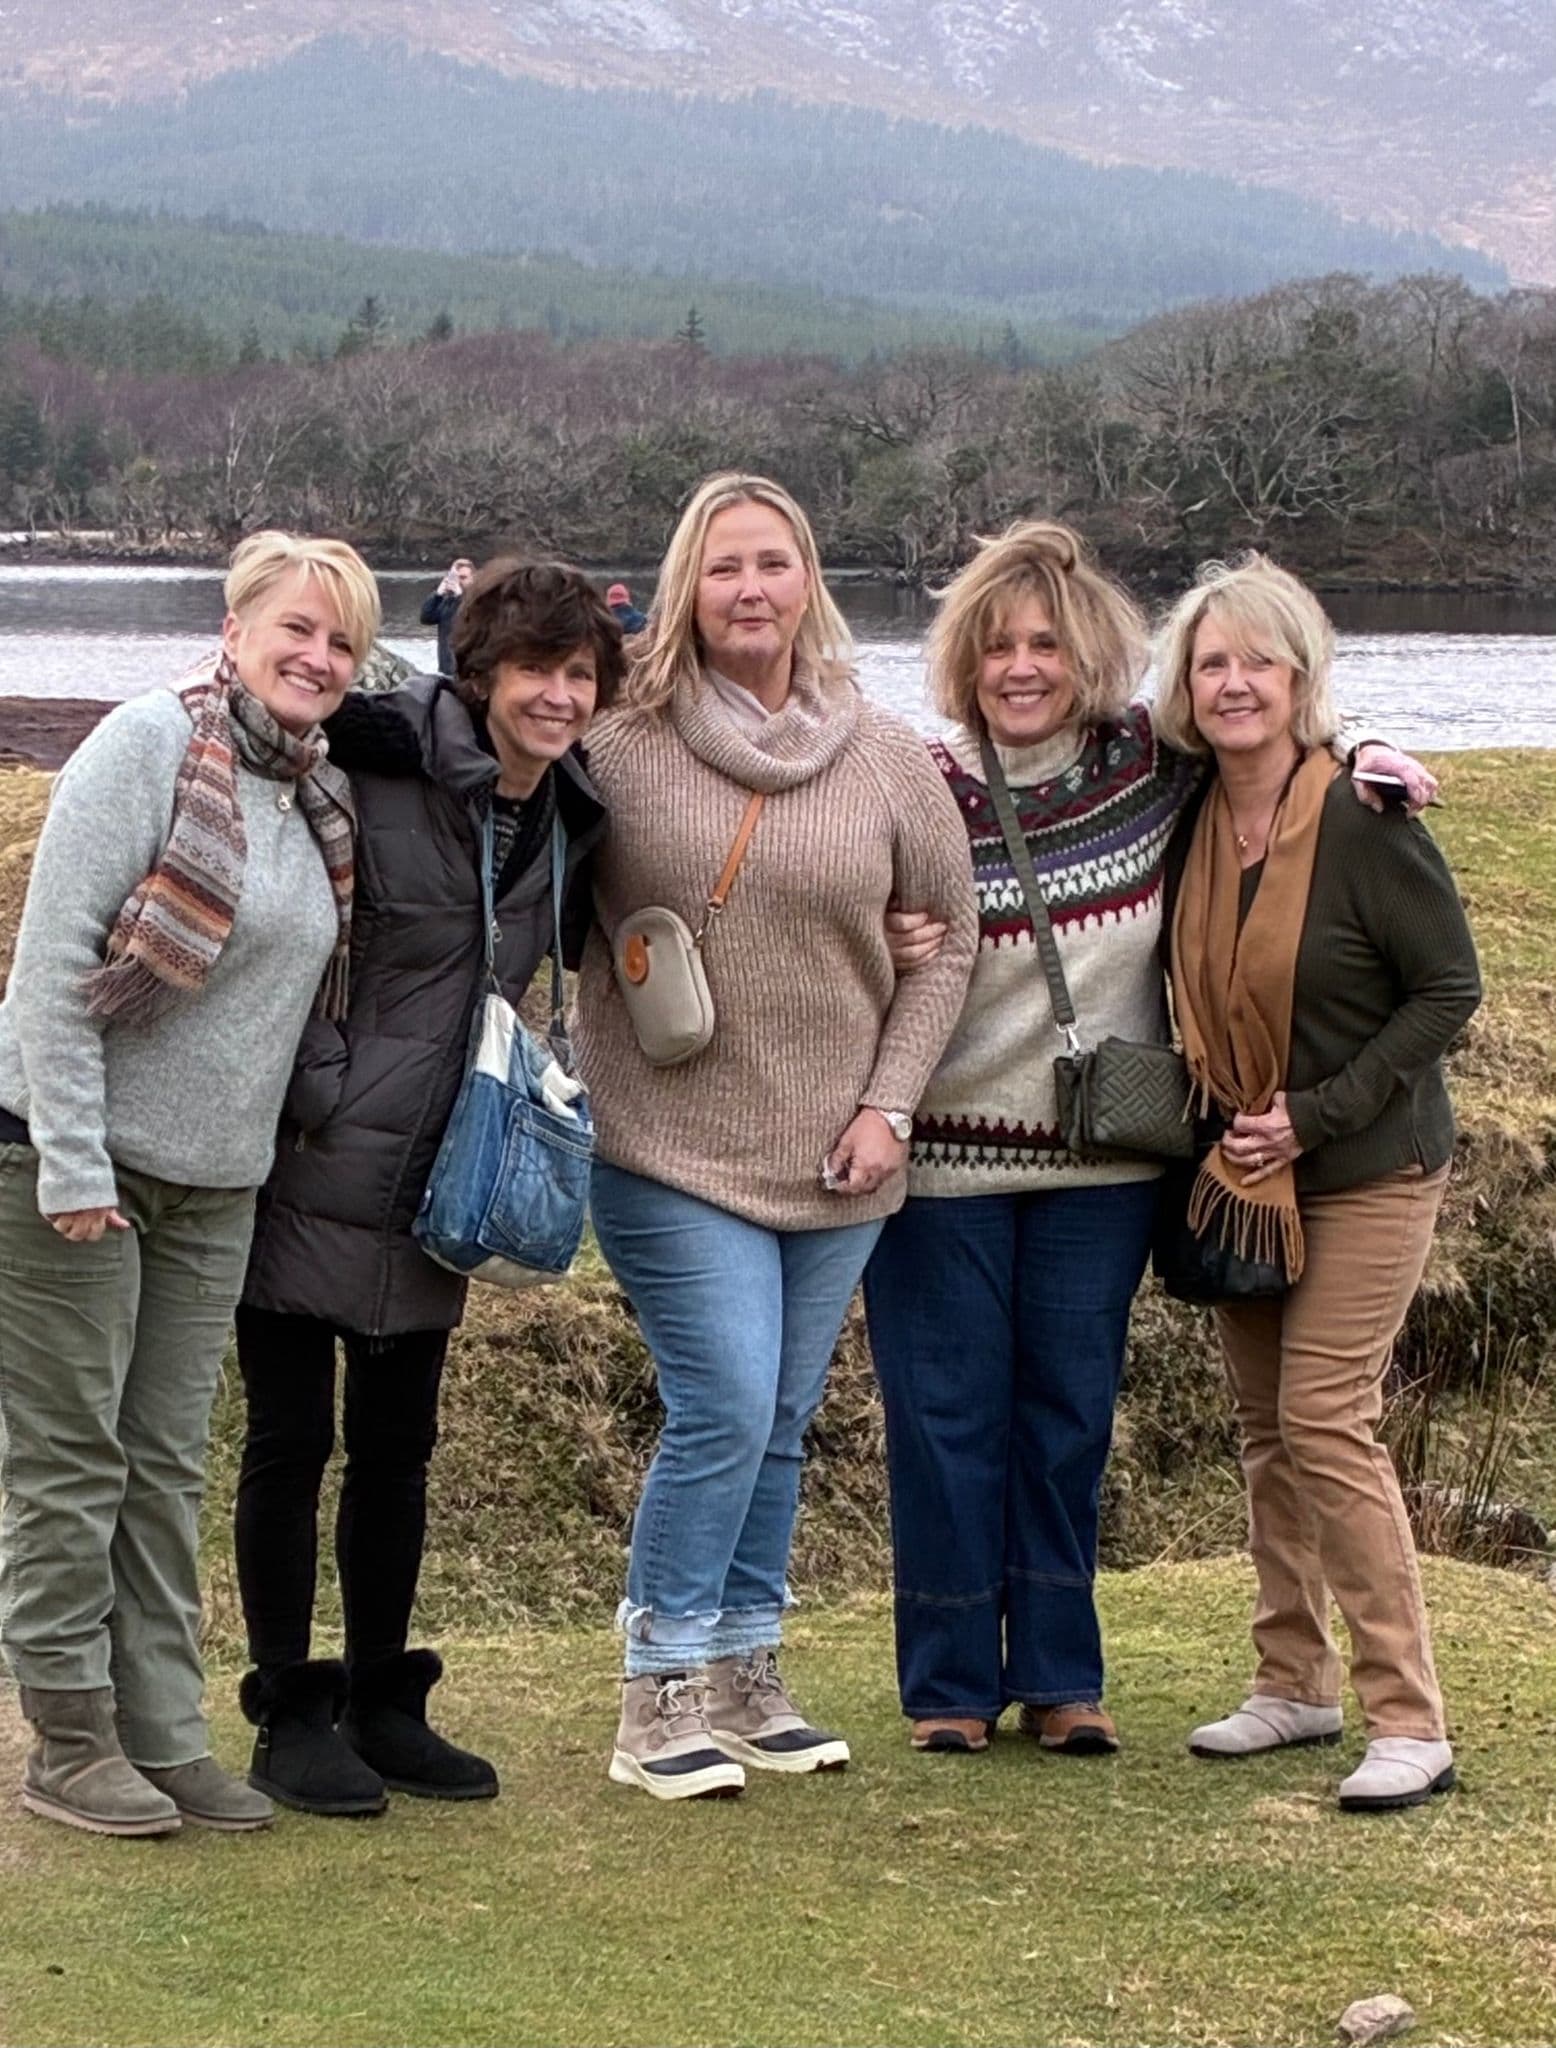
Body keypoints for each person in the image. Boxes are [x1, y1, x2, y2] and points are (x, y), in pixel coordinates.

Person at [864, 520, 1438, 1761]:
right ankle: (950, 1682)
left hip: (1107, 1163)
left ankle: (1064, 1676)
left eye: (1048, 646)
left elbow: (1270, 734)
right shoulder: (912, 780)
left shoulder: (1146, 764)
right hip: (941, 1163)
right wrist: (886, 938)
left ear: (1091, 660)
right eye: (999, 645)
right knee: (944, 1417)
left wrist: (1368, 749)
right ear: (963, 659)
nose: (1024, 667)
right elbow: (830, 899)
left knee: (1066, 1417)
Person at [572, 472, 979, 1801]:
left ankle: (747, 1666)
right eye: (726, 565)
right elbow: (527, 864)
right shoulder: (619, 744)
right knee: (726, 1402)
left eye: (775, 563)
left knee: (785, 1418)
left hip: (842, 1156)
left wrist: (889, 1106)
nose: (752, 588)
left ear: (812, 581)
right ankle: (660, 1690)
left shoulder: (886, 755)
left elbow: (948, 940)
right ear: (689, 583)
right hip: (669, 1142)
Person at [0, 531, 377, 1836]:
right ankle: (65, 1737)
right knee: (69, 1460)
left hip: (216, 1187)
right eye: (297, 629)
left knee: (163, 1468)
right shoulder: (147, 747)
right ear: (235, 630)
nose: (318, 656)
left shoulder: (314, 803)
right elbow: (51, 968)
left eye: (342, 641)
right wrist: (70, 1161)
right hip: (71, 1162)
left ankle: (162, 1732)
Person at [232, 560, 616, 1817]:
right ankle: (290, 1708)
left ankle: (386, 1700)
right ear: (480, 672)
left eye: (578, 675)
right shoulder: (373, 755)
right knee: (291, 1441)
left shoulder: (567, 817)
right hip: (311, 1155)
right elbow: (281, 912)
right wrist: (322, 1082)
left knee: (399, 1448)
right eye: (534, 672)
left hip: (447, 1172)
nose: (556, 697)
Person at [1154, 554, 1479, 1812]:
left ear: (1302, 679)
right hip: (1237, 1168)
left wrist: (1319, 1112)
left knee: (1324, 1414)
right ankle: (1291, 1681)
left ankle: (1410, 1715)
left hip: (1363, 1164)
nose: (1233, 684)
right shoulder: (1184, 808)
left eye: (1258, 662)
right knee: (1262, 1430)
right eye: (1210, 662)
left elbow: (1447, 990)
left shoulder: (1361, 812)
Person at [421, 556, 473, 677]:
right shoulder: (447, 601)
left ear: (473, 579)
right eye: (454, 578)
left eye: (463, 578)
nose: (458, 582)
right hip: (446, 668)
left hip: (468, 670)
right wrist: (437, 595)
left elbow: (469, 619)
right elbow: (426, 618)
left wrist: (460, 596)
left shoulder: (478, 602)